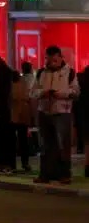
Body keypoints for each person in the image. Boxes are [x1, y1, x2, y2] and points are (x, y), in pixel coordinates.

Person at [33, 45, 79, 184]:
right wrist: (43, 93)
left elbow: (75, 91)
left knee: (63, 144)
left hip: (62, 112)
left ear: (60, 58)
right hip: (44, 111)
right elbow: (33, 92)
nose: (52, 63)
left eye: (55, 60)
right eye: (49, 59)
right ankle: (45, 174)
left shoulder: (69, 72)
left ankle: (64, 174)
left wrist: (62, 94)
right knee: (45, 145)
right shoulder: (41, 72)